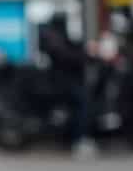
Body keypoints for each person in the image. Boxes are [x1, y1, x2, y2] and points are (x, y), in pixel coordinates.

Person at [38, 10, 94, 158]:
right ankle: (79, 140)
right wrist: (86, 56)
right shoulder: (54, 39)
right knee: (82, 103)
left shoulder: (57, 36)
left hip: (63, 81)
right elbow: (66, 56)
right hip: (61, 83)